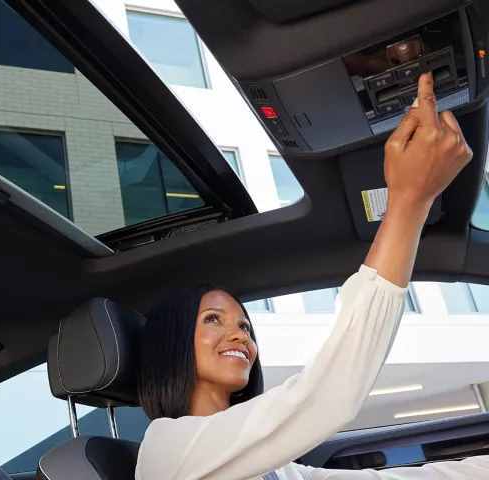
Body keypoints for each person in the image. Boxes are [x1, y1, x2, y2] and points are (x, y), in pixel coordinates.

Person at [135, 72, 488, 479]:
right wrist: (409, 200)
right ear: (172, 339)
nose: (240, 336)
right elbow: (327, 393)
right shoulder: (168, 449)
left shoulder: (274, 469)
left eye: (245, 325)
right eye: (212, 319)